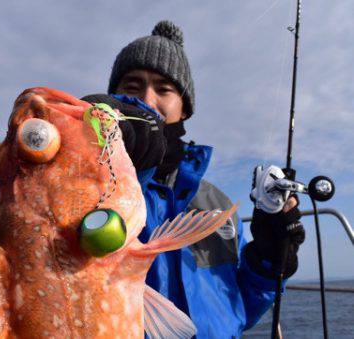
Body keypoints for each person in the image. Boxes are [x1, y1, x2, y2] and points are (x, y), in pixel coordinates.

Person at [82, 21, 305, 338]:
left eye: (164, 89)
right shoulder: (90, 189)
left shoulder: (217, 205)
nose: (147, 99)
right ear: (113, 98)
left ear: (184, 108)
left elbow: (239, 307)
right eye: (132, 87)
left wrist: (269, 259)